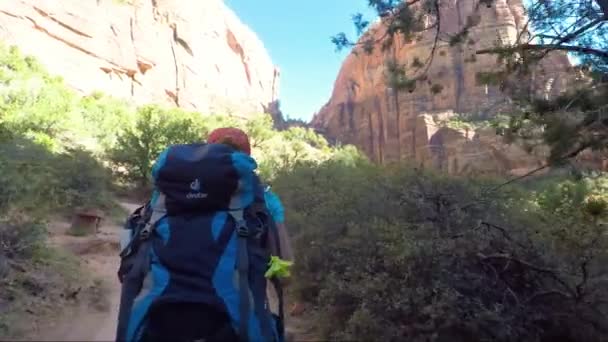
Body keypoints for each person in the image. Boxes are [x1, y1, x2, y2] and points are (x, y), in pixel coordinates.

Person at [115, 127, 292, 342]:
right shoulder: (265, 200)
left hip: (157, 322)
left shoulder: (163, 196)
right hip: (231, 325)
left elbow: (129, 255)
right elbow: (284, 265)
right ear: (244, 159)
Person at [207, 127, 294, 264]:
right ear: (246, 155)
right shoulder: (266, 197)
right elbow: (283, 258)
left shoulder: (177, 186)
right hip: (242, 282)